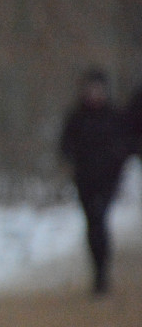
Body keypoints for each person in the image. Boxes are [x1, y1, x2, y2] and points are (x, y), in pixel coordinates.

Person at [59, 68, 133, 295]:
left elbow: (126, 145)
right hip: (85, 180)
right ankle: (98, 269)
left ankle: (102, 274)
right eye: (90, 88)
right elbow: (65, 146)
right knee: (92, 223)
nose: (94, 93)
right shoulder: (77, 117)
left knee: (100, 219)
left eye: (98, 89)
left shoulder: (114, 116)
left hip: (107, 180)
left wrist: (117, 164)